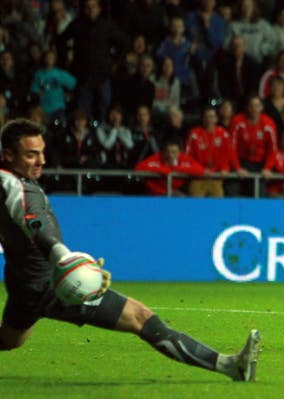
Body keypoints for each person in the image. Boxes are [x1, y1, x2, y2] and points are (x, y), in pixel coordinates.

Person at [0, 118, 260, 381]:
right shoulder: (15, 186)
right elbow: (34, 222)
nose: (42, 160)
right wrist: (63, 257)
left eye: (42, 152)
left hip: (23, 282)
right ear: (8, 155)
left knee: (10, 339)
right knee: (140, 317)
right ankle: (229, 365)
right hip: (49, 285)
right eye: (31, 155)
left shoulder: (8, 178)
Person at [134, 137, 205, 197]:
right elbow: (138, 168)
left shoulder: (184, 158)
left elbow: (200, 170)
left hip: (177, 192)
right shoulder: (157, 158)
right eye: (167, 152)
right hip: (154, 194)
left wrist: (174, 169)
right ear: (163, 152)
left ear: (179, 153)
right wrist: (164, 170)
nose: (170, 155)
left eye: (173, 152)